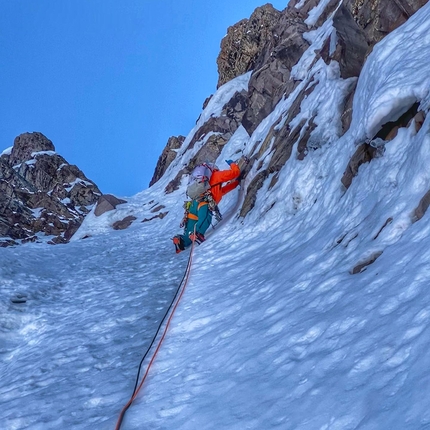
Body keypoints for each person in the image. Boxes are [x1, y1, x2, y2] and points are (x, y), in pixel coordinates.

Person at [173, 157, 246, 253]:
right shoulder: (216, 175)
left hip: (193, 205)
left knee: (190, 227)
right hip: (203, 203)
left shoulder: (206, 183)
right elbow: (234, 173)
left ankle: (181, 241)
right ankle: (197, 234)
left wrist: (236, 183)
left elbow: (222, 191)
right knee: (205, 219)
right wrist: (232, 164)